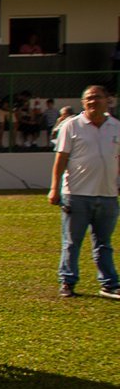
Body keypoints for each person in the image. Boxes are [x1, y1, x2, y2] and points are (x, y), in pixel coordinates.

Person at [50, 85, 120, 299]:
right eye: (88, 98)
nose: (93, 101)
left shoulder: (116, 127)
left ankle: (109, 283)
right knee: (72, 242)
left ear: (107, 100)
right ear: (83, 103)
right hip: (77, 194)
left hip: (108, 195)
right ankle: (67, 281)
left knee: (104, 243)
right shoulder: (71, 126)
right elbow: (60, 159)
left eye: (97, 97)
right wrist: (55, 188)